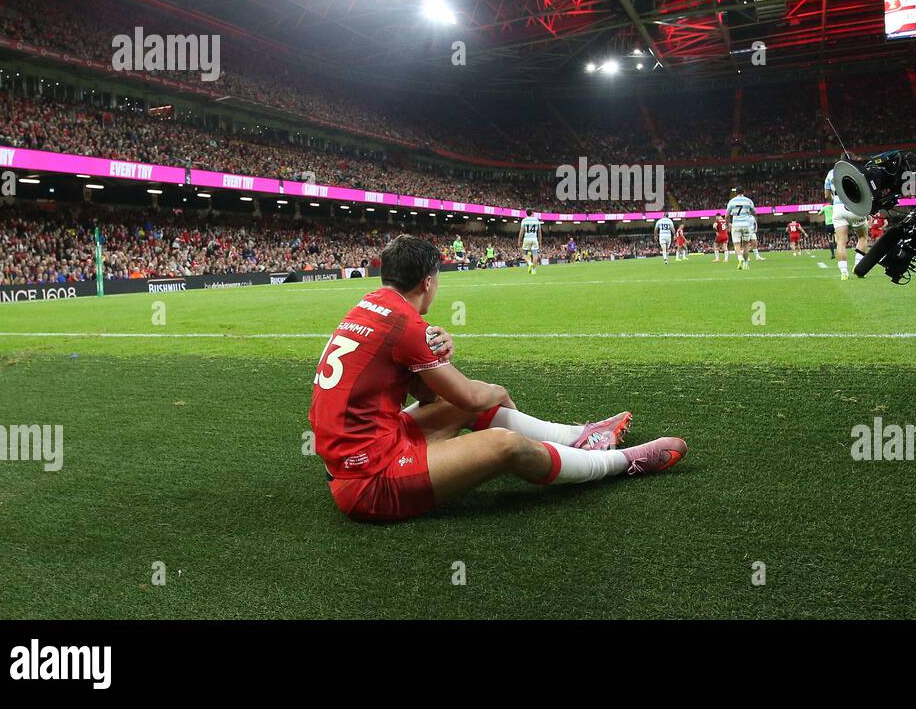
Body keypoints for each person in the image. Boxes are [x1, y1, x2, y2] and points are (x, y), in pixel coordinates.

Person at [308, 235, 688, 523]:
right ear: (428, 282)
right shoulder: (405, 323)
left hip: (365, 450)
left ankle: (579, 437)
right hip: (367, 481)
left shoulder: (367, 307)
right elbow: (472, 399)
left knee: (458, 403)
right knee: (506, 445)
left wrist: (438, 353)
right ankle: (624, 462)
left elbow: (423, 394)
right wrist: (499, 392)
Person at [824, 169, 870, 279]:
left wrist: (834, 201)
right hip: (855, 206)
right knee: (863, 237)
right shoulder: (857, 170)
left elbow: (827, 195)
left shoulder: (831, 173)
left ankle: (844, 272)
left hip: (838, 208)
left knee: (840, 242)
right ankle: (858, 266)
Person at [726, 186, 758, 269]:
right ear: (744, 192)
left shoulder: (731, 201)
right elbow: (754, 212)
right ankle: (746, 264)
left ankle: (740, 258)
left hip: (736, 225)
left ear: (736, 193)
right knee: (746, 244)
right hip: (746, 225)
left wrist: (727, 224)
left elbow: (727, 215)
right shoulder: (748, 201)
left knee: (737, 244)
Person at [518, 209, 542, 274]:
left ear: (526, 213)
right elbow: (539, 232)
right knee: (535, 255)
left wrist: (519, 240)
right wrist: (540, 242)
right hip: (534, 239)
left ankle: (529, 263)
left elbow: (522, 231)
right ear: (532, 213)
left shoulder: (524, 220)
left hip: (526, 239)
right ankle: (534, 270)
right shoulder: (536, 220)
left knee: (524, 254)